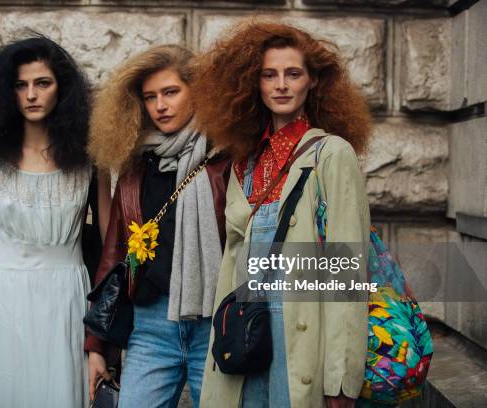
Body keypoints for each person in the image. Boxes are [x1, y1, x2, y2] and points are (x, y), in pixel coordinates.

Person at [193, 21, 372, 408]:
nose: (281, 85)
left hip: (302, 339)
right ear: (252, 84)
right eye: (268, 75)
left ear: (313, 82)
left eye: (293, 74)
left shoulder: (332, 154)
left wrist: (340, 379)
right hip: (247, 332)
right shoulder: (246, 161)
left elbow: (347, 273)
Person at [85, 44, 231, 408]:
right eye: (150, 97)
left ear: (196, 91)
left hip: (213, 325)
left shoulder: (226, 159)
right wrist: (97, 346)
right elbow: (115, 254)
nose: (160, 106)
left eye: (170, 92)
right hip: (151, 326)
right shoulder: (138, 166)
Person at [0, 36, 97, 407]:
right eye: (21, 85)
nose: (31, 94)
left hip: (69, 302)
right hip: (5, 305)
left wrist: (103, 344)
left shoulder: (91, 159)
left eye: (43, 83)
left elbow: (110, 255)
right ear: (6, 92)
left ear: (62, 90)